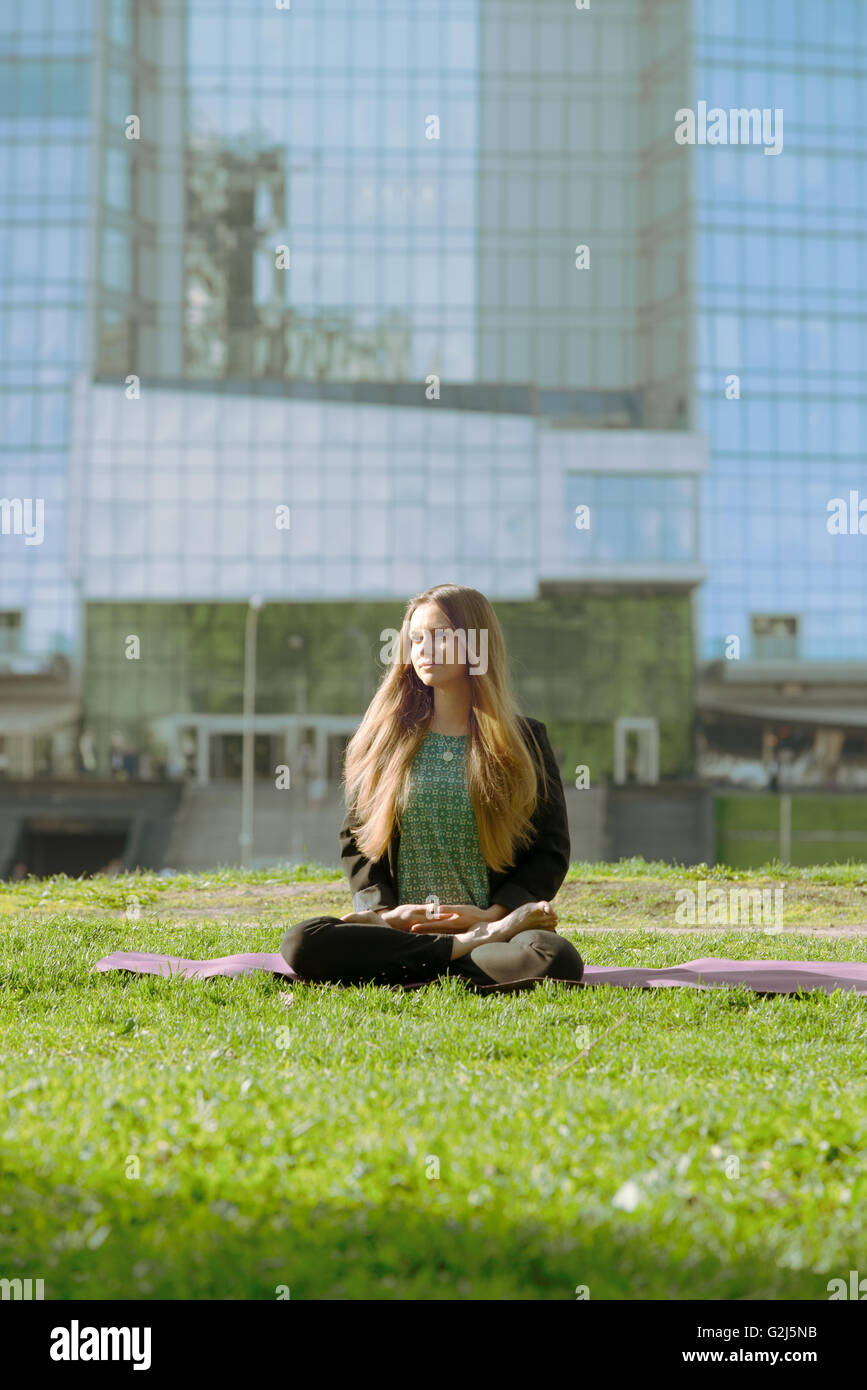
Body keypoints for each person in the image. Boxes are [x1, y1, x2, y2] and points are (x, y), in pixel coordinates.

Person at [280, 584, 583, 992]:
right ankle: (454, 953)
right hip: (398, 930)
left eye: (441, 636)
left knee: (553, 957)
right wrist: (388, 915)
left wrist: (491, 918)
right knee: (302, 941)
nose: (425, 648)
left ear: (477, 643)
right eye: (417, 638)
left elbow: (550, 848)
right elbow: (357, 839)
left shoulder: (525, 740)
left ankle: (437, 958)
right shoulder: (387, 738)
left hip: (494, 928)